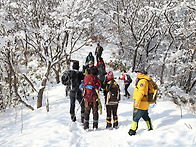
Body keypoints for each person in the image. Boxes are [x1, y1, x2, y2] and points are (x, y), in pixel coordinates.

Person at [128, 68, 153, 136]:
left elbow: (141, 92)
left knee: (136, 117)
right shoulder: (144, 80)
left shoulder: (142, 81)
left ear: (141, 73)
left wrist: (137, 101)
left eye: (138, 72)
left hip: (141, 103)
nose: (137, 74)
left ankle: (132, 130)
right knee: (145, 116)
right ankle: (150, 127)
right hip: (144, 103)